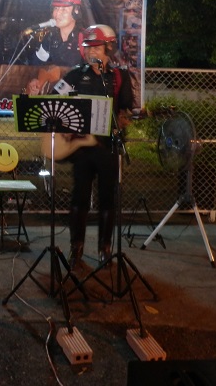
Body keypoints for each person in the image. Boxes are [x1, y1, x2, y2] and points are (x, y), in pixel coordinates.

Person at [59, 25, 135, 266]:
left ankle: (105, 248)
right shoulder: (74, 75)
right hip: (81, 149)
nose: (91, 52)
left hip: (107, 148)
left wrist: (123, 122)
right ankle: (76, 248)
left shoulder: (120, 77)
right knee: (79, 197)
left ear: (109, 49)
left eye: (96, 47)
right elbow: (55, 100)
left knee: (107, 199)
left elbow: (126, 110)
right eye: (88, 47)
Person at [31, 0, 84, 67]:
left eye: (64, 9)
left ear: (76, 12)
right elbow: (36, 63)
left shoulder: (84, 38)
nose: (57, 14)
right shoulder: (50, 38)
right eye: (56, 8)